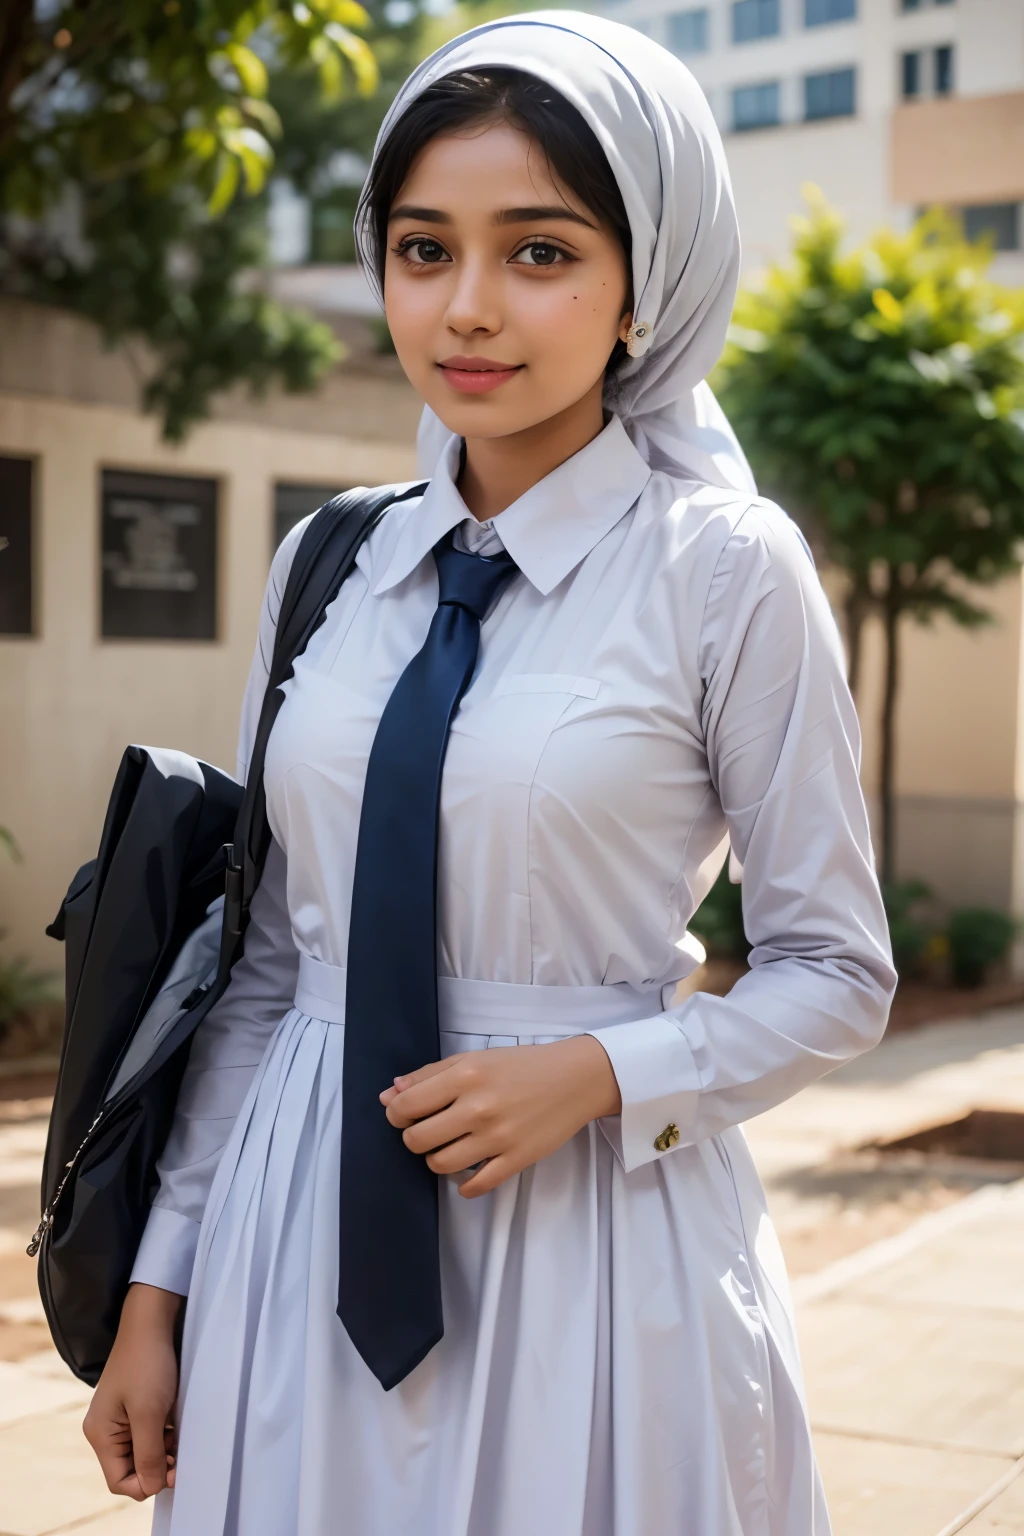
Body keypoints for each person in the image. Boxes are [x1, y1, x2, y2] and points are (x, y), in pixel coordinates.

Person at [83, 12, 896, 1534]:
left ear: (643, 282)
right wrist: (159, 1282)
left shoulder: (724, 571)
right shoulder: (331, 560)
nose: (467, 308)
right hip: (295, 1243)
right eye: (420, 248)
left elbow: (834, 970)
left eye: (539, 251)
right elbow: (262, 967)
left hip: (590, 1249)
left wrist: (598, 1073)